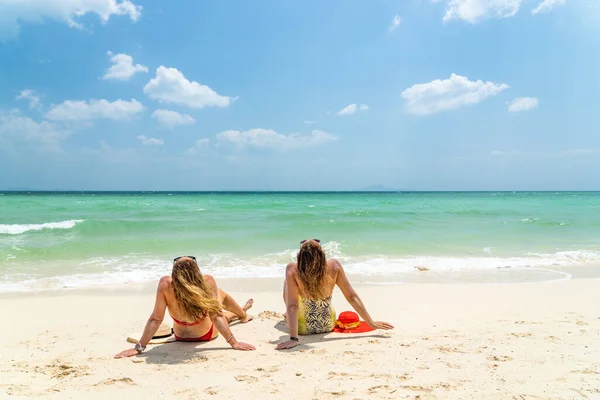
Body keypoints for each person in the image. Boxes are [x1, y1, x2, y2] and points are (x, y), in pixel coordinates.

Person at [115, 256, 255, 358]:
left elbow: (156, 320)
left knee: (219, 312)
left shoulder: (165, 284)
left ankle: (242, 313)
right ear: (195, 270)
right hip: (205, 335)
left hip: (180, 335)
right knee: (220, 296)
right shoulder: (207, 281)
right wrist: (234, 343)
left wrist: (139, 348)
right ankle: (242, 314)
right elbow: (216, 316)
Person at [276, 239, 394, 350]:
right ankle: (290, 316)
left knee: (288, 282)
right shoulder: (334, 266)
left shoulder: (292, 269)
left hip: (303, 328)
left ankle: (289, 316)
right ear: (322, 253)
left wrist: (293, 339)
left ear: (300, 255)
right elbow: (352, 297)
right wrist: (371, 323)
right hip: (328, 325)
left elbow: (293, 306)